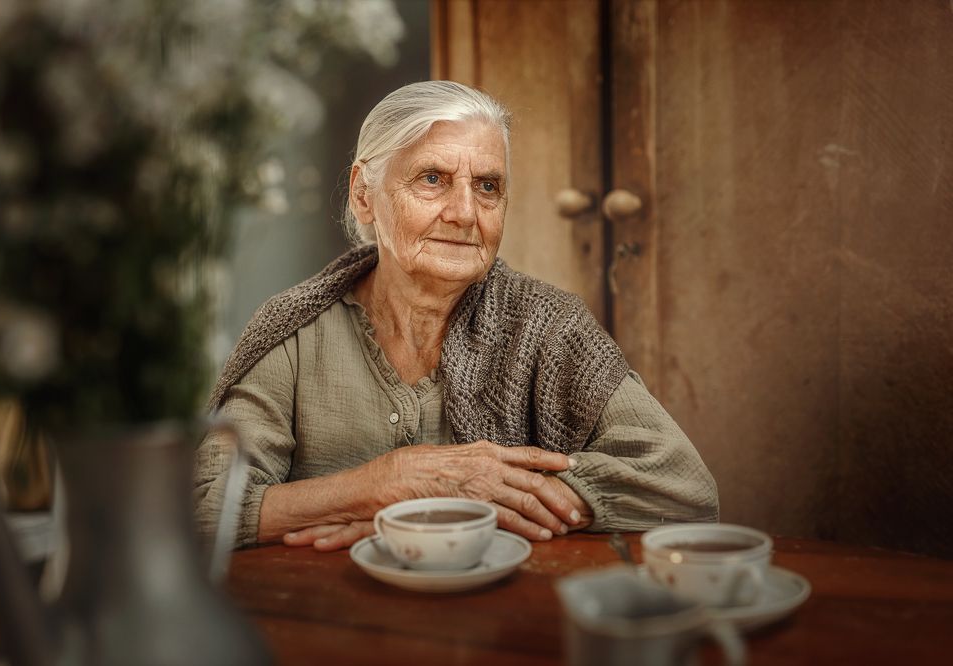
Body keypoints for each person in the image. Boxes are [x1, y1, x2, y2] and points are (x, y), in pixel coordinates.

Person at [194, 81, 717, 551]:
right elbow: (198, 506)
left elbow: (683, 485)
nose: (465, 212)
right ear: (363, 194)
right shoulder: (295, 332)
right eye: (433, 179)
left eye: (487, 186)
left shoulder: (549, 326)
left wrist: (487, 504)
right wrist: (378, 485)